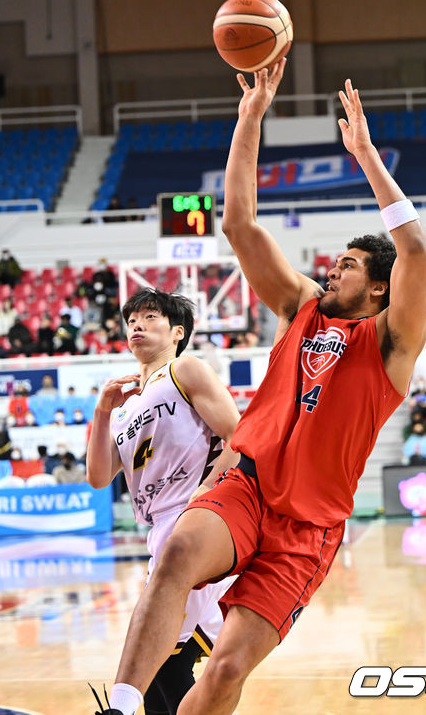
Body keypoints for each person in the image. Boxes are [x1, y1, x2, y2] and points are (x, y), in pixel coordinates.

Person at [92, 62, 426, 715]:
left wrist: (363, 154)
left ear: (379, 288)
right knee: (177, 553)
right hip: (248, 482)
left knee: (225, 670)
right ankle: (123, 706)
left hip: (310, 525)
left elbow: (414, 248)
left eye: (349, 267)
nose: (332, 272)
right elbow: (239, 224)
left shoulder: (391, 346)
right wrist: (250, 116)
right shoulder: (302, 307)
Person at [87, 288, 240, 715]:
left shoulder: (184, 369)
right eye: (132, 319)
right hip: (161, 527)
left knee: (159, 660)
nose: (136, 325)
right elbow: (99, 477)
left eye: (149, 317)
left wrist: (205, 494)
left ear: (177, 332)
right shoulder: (124, 405)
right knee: (161, 663)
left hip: (195, 520)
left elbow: (239, 438)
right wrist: (102, 412)